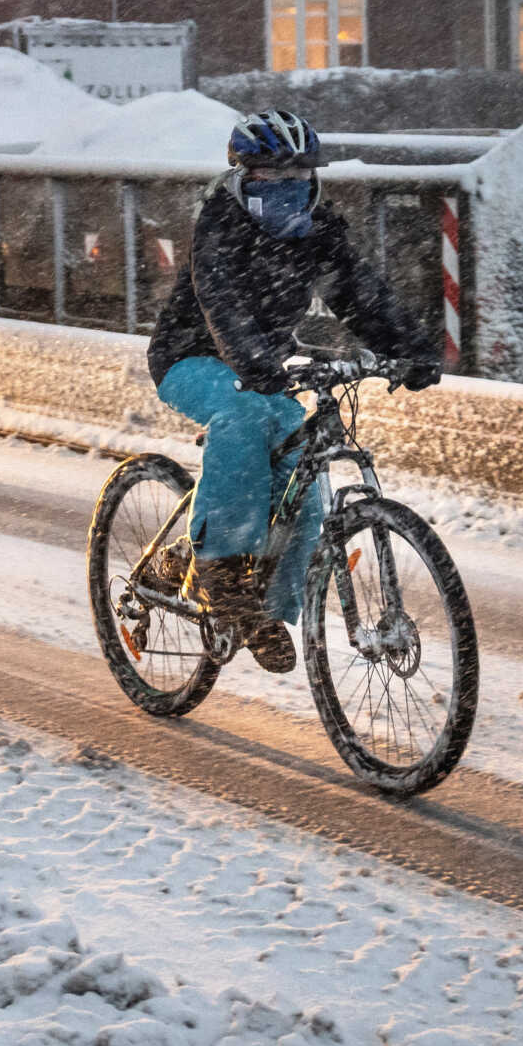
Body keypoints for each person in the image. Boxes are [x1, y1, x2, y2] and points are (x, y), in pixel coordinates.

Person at [146, 107, 440, 671]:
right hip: (192, 358)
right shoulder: (220, 222)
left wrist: (412, 348)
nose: (286, 192)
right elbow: (221, 299)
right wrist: (255, 360)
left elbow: (360, 294)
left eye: (297, 180)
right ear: (241, 177)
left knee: (300, 473)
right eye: (270, 181)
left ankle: (263, 611)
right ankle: (221, 571)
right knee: (242, 417)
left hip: (265, 366)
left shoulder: (318, 231)